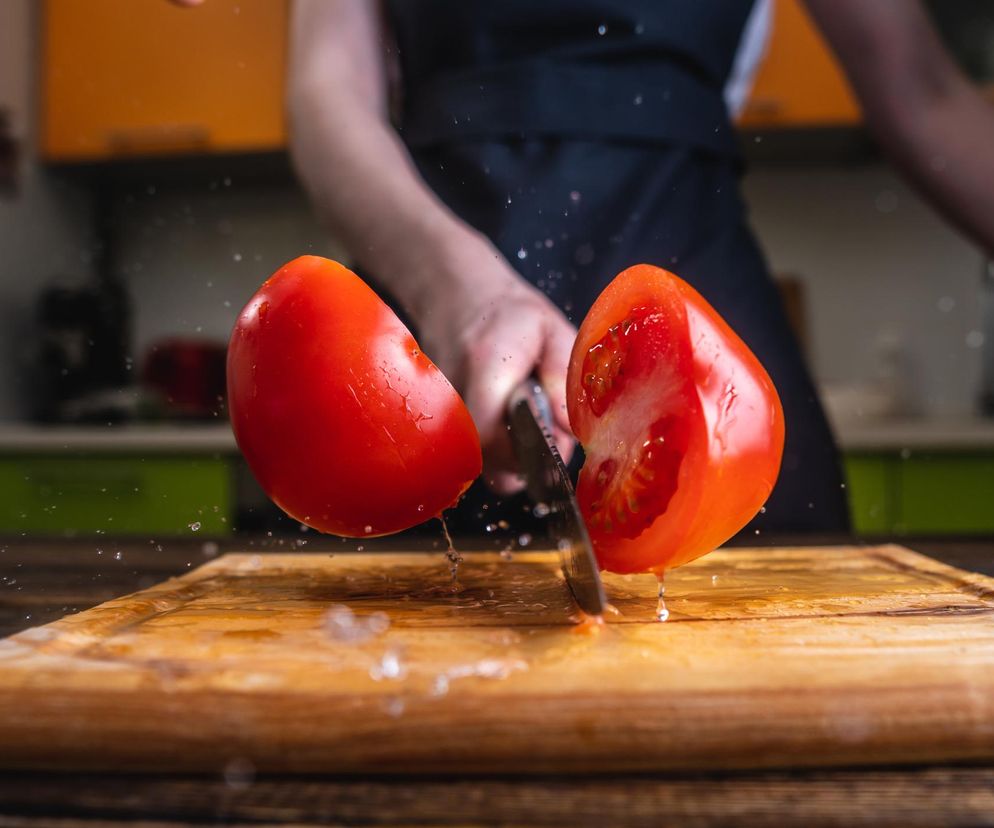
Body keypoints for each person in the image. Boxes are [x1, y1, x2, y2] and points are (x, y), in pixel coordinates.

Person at [286, 0, 994, 535]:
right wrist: (453, 289)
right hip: (434, 307)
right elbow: (327, 96)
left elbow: (924, 93)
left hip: (702, 317)